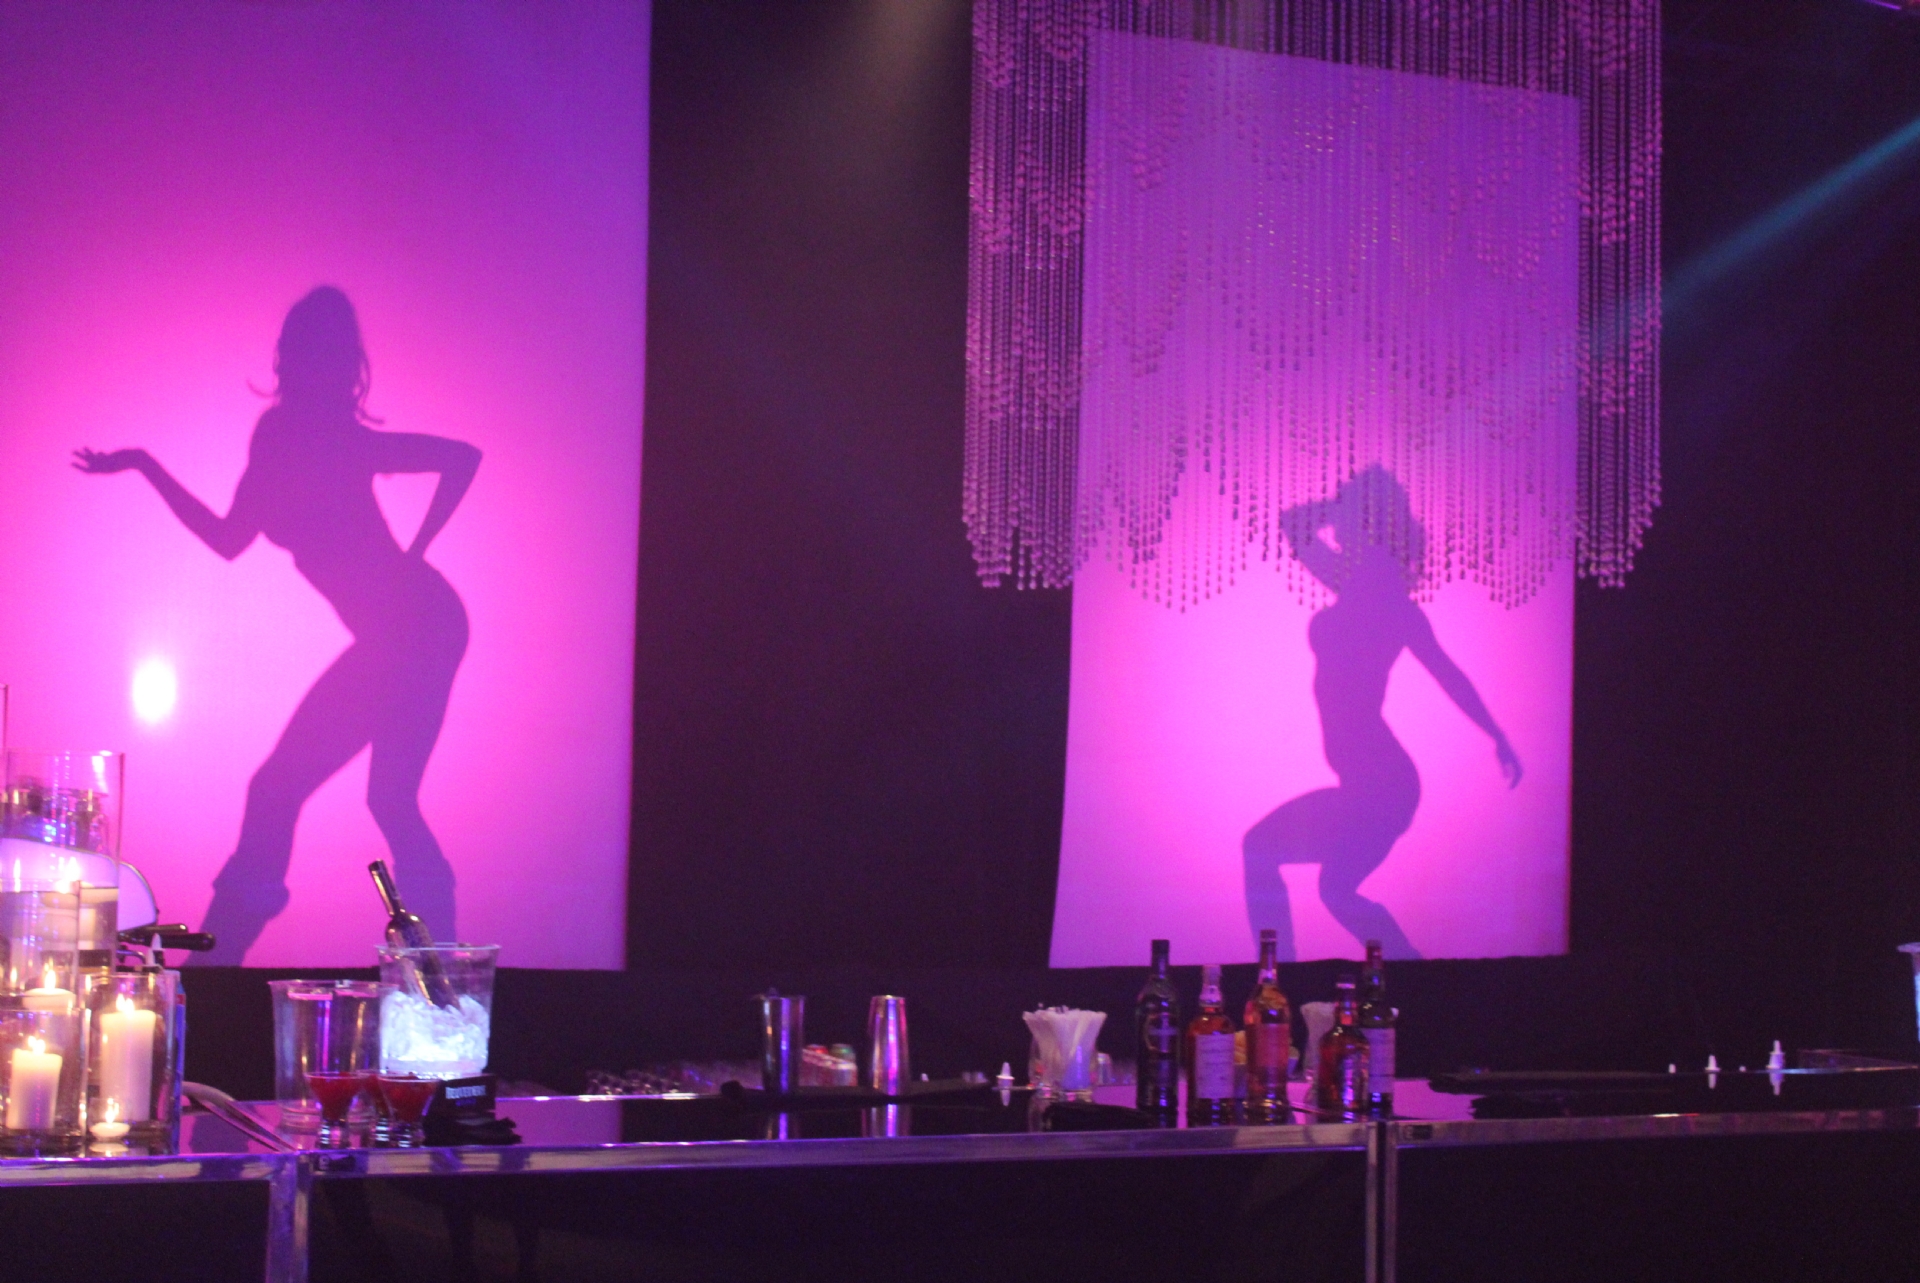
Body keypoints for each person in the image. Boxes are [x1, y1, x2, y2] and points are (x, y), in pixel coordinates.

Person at [75, 286, 479, 962]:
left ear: (340, 365)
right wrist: (145, 466)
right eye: (302, 353)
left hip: (422, 626)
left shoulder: (346, 443)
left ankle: (428, 965)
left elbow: (463, 457)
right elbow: (229, 538)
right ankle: (224, 960)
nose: (308, 366)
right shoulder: (278, 440)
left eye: (324, 355)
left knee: (357, 794)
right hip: (396, 636)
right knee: (349, 795)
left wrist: (417, 551)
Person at [1243, 465, 1520, 960]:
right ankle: (1402, 970)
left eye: (1350, 516)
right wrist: (1344, 504)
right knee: (1331, 888)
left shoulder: (1388, 601)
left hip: (1384, 785)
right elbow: (1291, 523)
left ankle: (1278, 977)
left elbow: (1449, 674)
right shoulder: (1350, 583)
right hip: (1367, 783)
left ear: (1367, 524)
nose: (1336, 531)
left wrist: (1496, 734)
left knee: (1273, 855)